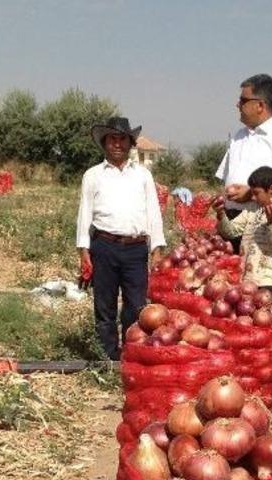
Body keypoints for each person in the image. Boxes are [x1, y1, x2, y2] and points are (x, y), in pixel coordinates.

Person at [76, 116, 166, 360]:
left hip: (135, 249)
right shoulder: (93, 175)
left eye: (122, 139)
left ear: (130, 143)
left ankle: (131, 354)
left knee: (136, 306)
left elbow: (153, 212)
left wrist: (156, 247)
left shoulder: (143, 176)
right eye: (112, 139)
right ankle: (108, 357)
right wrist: (84, 251)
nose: (117, 144)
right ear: (105, 143)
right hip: (104, 246)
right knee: (104, 307)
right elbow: (84, 213)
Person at [216, 73, 272, 253]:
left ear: (260, 105)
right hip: (231, 222)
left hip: (262, 224)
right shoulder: (238, 136)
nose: (237, 105)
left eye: (243, 100)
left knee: (258, 278)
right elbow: (226, 177)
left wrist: (250, 194)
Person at [213, 166, 272, 309]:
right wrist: (221, 215)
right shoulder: (252, 210)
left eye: (256, 193)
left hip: (268, 280)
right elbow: (231, 231)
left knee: (265, 318)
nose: (253, 198)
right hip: (248, 277)